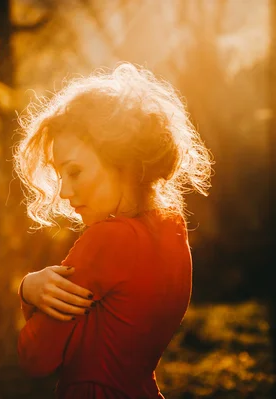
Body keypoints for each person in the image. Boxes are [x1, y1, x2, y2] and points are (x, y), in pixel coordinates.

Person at [13, 63, 212, 398]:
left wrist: (27, 289)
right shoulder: (173, 229)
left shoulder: (107, 239)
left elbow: (35, 357)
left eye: (74, 171)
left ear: (122, 160)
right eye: (60, 175)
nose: (63, 192)